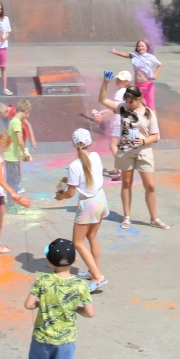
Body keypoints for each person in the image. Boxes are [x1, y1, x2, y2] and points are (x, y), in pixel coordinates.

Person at [22, 239, 94, 359]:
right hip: (66, 340)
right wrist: (74, 308)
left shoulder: (42, 279)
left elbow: (28, 305)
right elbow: (90, 313)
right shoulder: (80, 284)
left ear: (49, 262)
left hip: (42, 337)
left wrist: (42, 304)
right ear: (75, 260)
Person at [98, 79, 168, 230]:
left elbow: (155, 136)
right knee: (126, 183)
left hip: (144, 151)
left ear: (139, 98)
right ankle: (127, 216)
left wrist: (143, 142)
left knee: (150, 185)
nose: (129, 104)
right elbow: (103, 99)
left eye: (131, 101)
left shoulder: (149, 114)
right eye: (127, 101)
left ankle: (154, 218)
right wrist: (105, 83)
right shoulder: (122, 108)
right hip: (126, 151)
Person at [56, 129, 109, 292]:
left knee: (78, 242)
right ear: (90, 142)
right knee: (92, 236)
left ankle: (98, 277)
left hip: (88, 204)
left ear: (74, 144)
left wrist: (60, 196)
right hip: (101, 198)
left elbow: (70, 193)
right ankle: (94, 272)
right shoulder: (96, 156)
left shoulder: (74, 166)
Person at [91, 70, 131, 180]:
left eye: (122, 80)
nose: (118, 81)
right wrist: (104, 112)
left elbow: (116, 109)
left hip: (119, 122)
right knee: (120, 146)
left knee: (113, 145)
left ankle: (123, 169)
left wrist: (102, 117)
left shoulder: (120, 92)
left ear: (127, 82)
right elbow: (116, 106)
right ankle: (119, 168)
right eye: (118, 79)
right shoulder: (127, 91)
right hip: (125, 122)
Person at [109, 40, 161, 110]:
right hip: (138, 86)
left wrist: (156, 75)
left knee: (151, 105)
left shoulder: (150, 57)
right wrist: (115, 52)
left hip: (148, 85)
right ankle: (143, 119)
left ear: (147, 48)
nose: (140, 47)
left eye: (142, 46)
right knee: (142, 105)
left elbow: (159, 66)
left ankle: (154, 120)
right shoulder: (135, 55)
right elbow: (125, 55)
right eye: (139, 46)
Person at [3, 100, 33, 207]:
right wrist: (25, 152)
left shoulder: (13, 121)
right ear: (26, 111)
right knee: (14, 180)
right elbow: (20, 140)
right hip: (11, 157)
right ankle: (12, 204)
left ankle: (12, 202)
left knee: (13, 179)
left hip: (11, 156)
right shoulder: (16, 122)